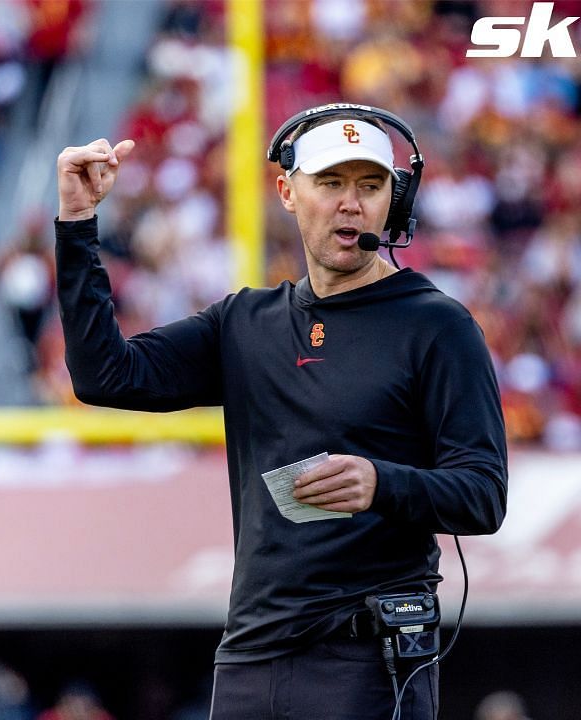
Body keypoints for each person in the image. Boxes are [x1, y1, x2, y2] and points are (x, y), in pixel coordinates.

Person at [53, 104, 507, 719]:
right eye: (331, 183)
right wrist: (78, 225)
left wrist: (381, 483)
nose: (352, 203)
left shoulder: (437, 326)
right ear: (287, 192)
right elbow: (106, 376)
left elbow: (483, 494)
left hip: (367, 660)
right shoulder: (245, 322)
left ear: (393, 203)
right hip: (248, 658)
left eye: (370, 186)